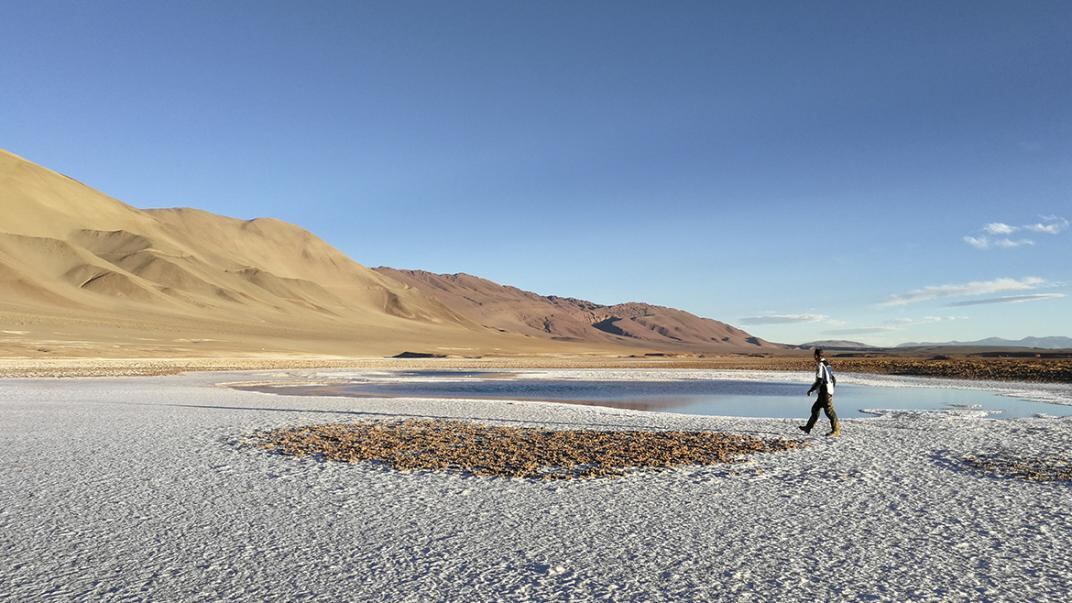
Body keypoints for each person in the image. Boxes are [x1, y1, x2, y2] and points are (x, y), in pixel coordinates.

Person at [800, 348, 840, 436]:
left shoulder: (820, 365)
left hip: (825, 391)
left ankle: (836, 430)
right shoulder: (827, 364)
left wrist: (811, 390)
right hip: (825, 391)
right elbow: (833, 378)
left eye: (814, 355)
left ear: (817, 356)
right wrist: (831, 388)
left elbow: (820, 380)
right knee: (815, 409)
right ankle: (808, 428)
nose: (813, 357)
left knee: (829, 411)